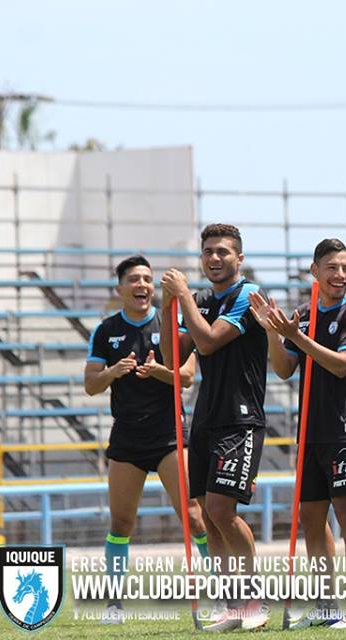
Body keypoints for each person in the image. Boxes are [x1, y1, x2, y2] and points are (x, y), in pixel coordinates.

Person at [251, 238, 346, 630]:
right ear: (315, 271)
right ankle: (326, 605)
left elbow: (341, 365)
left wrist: (299, 338)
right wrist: (272, 332)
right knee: (310, 517)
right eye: (332, 267)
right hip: (311, 431)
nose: (340, 275)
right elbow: (284, 369)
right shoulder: (303, 314)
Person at [85, 255, 206, 624]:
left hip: (169, 434)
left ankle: (223, 591)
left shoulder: (172, 324)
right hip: (127, 437)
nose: (142, 285)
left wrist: (158, 371)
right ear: (120, 288)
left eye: (147, 279)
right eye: (134, 279)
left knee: (194, 516)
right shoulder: (105, 331)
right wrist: (113, 372)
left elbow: (187, 377)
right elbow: (91, 385)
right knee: (121, 523)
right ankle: (114, 603)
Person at [160, 224, 269, 631]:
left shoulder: (248, 295)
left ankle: (254, 600)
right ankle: (233, 603)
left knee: (223, 509)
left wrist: (184, 295)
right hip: (206, 417)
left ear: (239, 257)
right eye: (208, 251)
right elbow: (173, 357)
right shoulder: (202, 301)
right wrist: (167, 306)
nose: (214, 258)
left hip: (240, 418)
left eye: (223, 251)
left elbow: (207, 342)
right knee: (209, 514)